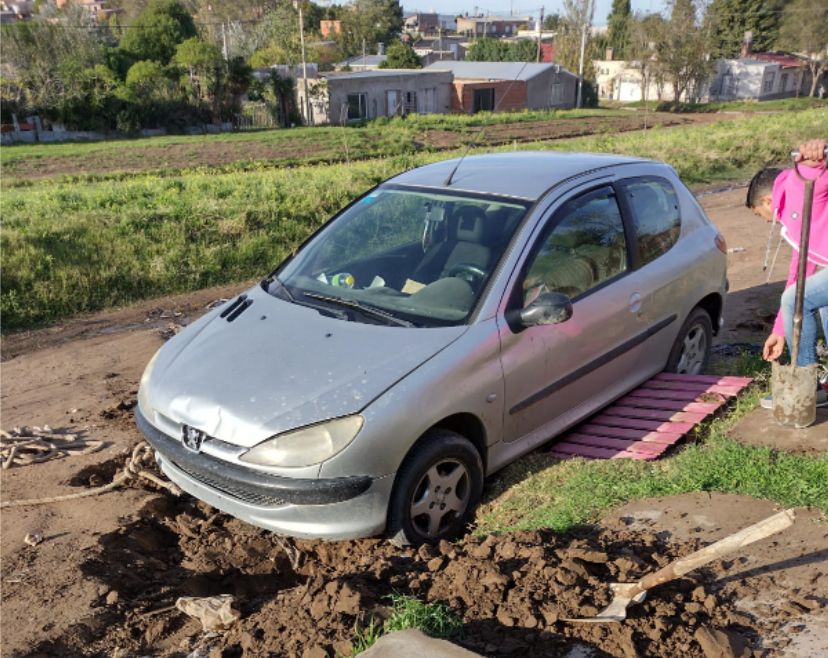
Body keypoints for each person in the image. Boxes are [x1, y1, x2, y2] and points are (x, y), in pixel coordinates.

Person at [746, 139, 828, 408]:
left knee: (796, 299)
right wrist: (780, 330)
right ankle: (816, 387)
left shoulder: (794, 186)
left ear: (767, 201)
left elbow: (813, 176)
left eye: (761, 215)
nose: (767, 222)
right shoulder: (793, 212)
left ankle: (807, 389)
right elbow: (798, 272)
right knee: (817, 301)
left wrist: (811, 161)